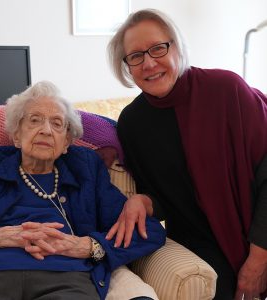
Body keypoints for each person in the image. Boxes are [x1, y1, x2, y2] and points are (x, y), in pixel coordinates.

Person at [106, 8, 267, 300]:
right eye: (136, 56)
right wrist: (143, 201)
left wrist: (259, 258)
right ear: (127, 66)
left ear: (177, 47)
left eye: (158, 48)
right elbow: (163, 201)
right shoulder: (132, 122)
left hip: (259, 234)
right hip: (201, 248)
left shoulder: (227, 90)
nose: (149, 63)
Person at [0, 81, 166, 300]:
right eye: (35, 120)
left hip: (66, 278)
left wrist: (89, 246)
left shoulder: (86, 171)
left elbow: (149, 232)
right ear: (16, 135)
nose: (46, 130)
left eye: (57, 123)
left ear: (66, 143)